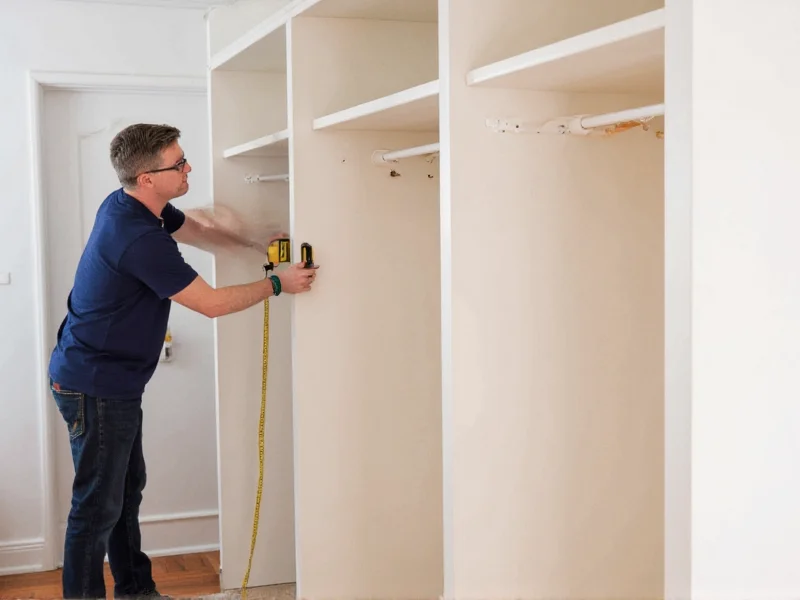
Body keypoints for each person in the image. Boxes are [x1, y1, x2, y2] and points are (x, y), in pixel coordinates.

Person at [47, 123, 317, 599]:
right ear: (147, 176)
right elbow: (211, 304)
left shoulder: (132, 204)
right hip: (96, 384)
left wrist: (258, 242)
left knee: (123, 496)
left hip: (107, 379)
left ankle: (136, 592)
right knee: (95, 509)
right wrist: (280, 285)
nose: (188, 167)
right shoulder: (137, 236)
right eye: (178, 164)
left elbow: (196, 229)